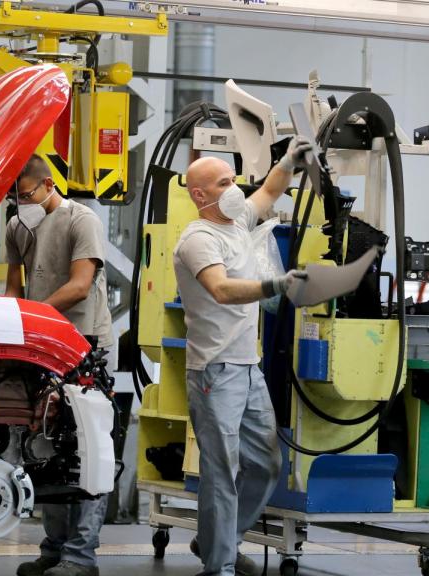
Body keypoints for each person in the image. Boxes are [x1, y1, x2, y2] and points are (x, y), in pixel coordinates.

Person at [173, 137, 313, 576]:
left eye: (233, 179)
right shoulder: (197, 239)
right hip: (215, 373)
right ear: (200, 195)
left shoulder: (236, 222)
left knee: (268, 465)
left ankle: (218, 539)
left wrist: (289, 159)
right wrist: (275, 286)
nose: (234, 188)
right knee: (221, 471)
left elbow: (270, 190)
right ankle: (220, 566)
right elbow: (221, 289)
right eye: (222, 183)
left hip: (247, 370)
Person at [6, 155, 113, 576]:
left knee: (89, 451)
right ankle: (54, 548)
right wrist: (8, 323)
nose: (20, 202)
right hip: (40, 346)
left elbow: (80, 285)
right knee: (44, 446)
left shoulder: (80, 220)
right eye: (14, 197)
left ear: (48, 185)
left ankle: (81, 556)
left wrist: (32, 317)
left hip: (85, 346)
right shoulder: (18, 225)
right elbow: (15, 284)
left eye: (26, 194)